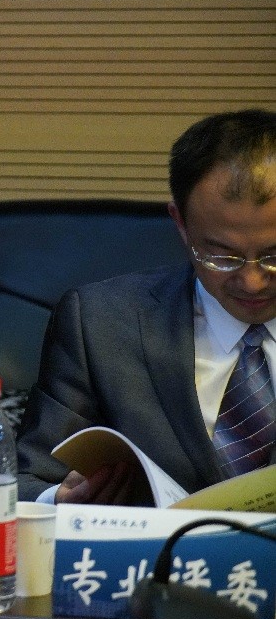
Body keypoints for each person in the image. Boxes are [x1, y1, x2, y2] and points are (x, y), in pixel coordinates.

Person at [18, 109, 276, 504]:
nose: (253, 281)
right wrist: (60, 501)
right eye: (222, 257)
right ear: (181, 224)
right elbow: (26, 483)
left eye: (274, 255)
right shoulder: (100, 325)